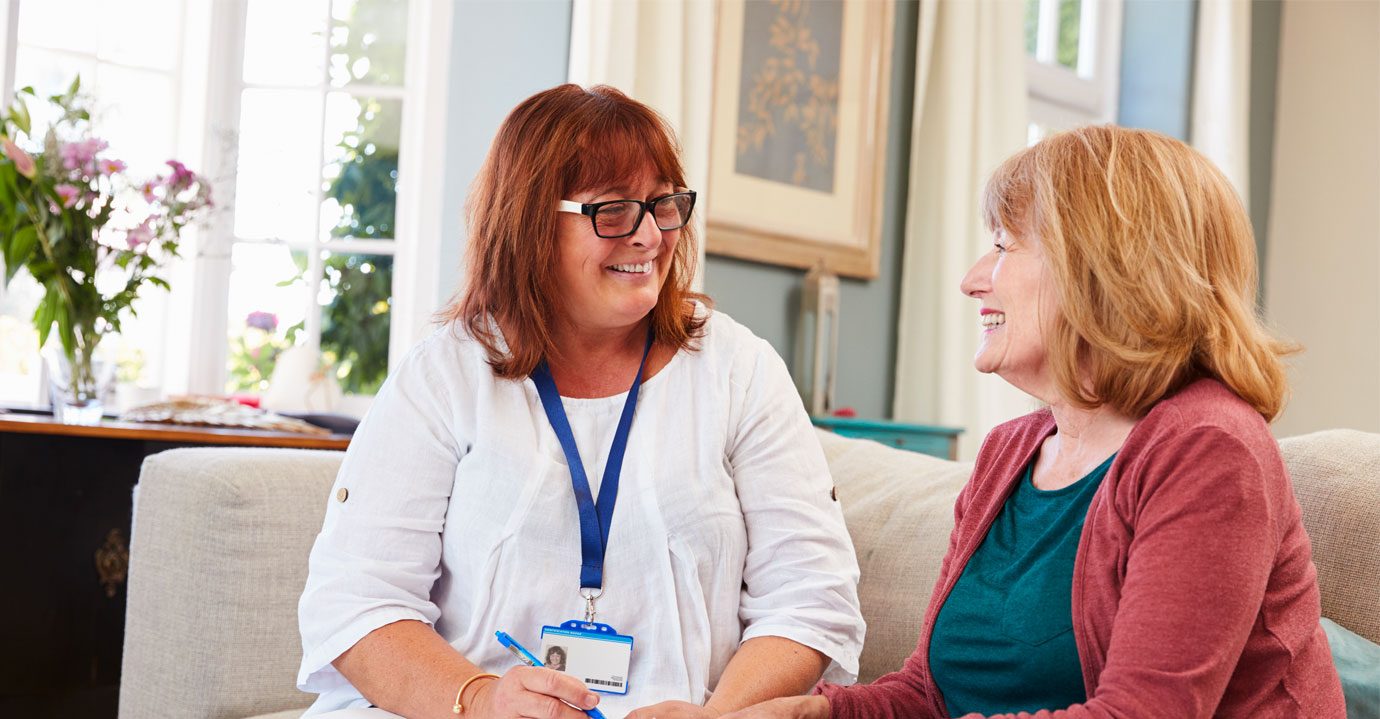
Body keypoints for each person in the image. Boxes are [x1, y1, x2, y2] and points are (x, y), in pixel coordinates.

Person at [722, 126, 1346, 719]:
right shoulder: (1010, 453)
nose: (971, 281)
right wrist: (808, 710)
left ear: (1100, 268)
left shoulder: (1208, 449)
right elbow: (929, 697)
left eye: (1001, 246)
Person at [296, 84, 864, 719]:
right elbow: (357, 601)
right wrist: (481, 700)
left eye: (664, 204)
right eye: (615, 210)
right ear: (530, 221)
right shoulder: (445, 374)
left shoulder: (741, 371)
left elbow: (811, 598)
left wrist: (716, 717)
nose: (650, 236)